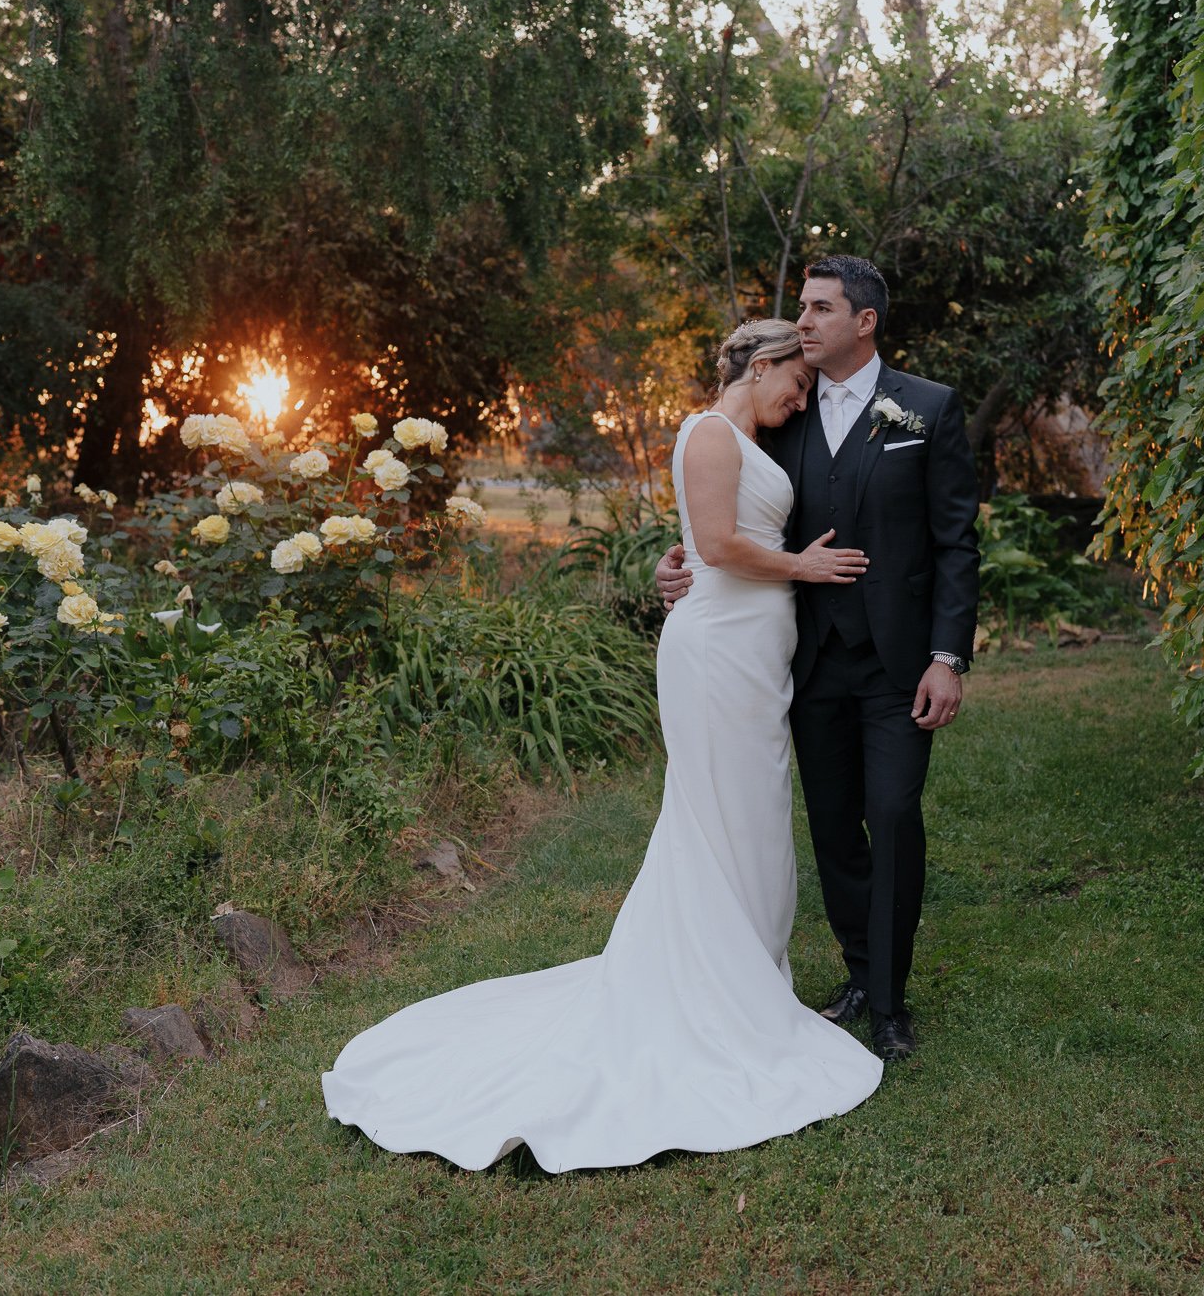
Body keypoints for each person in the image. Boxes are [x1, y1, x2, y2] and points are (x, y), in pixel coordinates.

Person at [323, 320, 884, 1173]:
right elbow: (723, 545)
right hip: (716, 653)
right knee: (716, 818)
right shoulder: (707, 431)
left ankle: (747, 983)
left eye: (805, 391)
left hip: (755, 657)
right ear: (762, 364)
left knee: (754, 819)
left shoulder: (747, 436)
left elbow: (711, 542)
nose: (799, 400)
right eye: (794, 384)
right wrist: (802, 568)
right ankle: (714, 996)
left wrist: (721, 561)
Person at [657, 256, 981, 1061]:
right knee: (834, 826)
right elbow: (726, 513)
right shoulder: (782, 418)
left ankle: (894, 1001)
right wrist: (678, 563)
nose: (804, 320)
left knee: (895, 817)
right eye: (800, 308)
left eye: (819, 307)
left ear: (864, 320)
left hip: (900, 662)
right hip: (805, 665)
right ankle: (862, 976)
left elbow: (955, 544)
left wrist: (948, 656)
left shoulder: (927, 409)